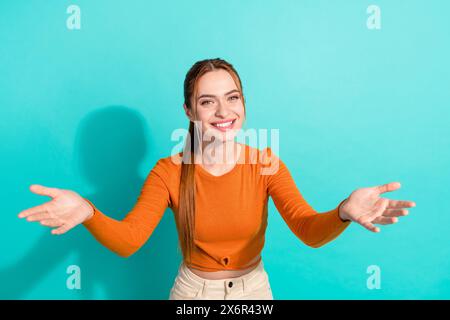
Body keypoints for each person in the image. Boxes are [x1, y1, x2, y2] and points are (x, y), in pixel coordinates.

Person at [18, 58, 416, 300]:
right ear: (190, 110)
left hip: (253, 293)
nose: (224, 110)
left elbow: (308, 230)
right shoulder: (168, 172)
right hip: (193, 293)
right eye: (208, 101)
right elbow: (129, 240)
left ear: (244, 102)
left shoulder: (266, 164)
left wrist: (343, 212)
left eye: (233, 97)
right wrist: (87, 211)